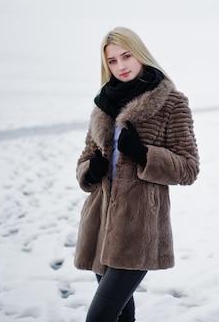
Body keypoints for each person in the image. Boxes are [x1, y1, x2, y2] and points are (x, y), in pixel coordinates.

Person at [74, 27, 199, 322]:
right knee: (120, 316)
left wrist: (145, 154)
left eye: (126, 56)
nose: (121, 66)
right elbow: (84, 160)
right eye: (113, 61)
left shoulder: (172, 102)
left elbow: (189, 167)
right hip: (100, 226)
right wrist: (90, 170)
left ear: (140, 54)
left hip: (138, 231)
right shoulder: (104, 104)